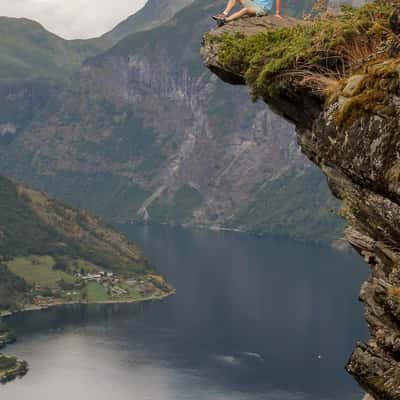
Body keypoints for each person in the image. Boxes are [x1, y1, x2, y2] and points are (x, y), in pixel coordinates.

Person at [213, 0, 282, 26]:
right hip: (254, 4)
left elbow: (278, 0)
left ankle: (225, 20)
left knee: (245, 10)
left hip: (262, 8)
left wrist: (277, 13)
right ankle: (224, 14)